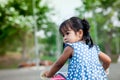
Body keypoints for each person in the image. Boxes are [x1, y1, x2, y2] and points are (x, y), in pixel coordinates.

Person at [42, 17, 111, 80]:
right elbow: (107, 60)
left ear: (80, 33)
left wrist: (49, 74)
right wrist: (102, 70)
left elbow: (59, 64)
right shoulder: (93, 47)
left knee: (57, 77)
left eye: (67, 33)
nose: (65, 37)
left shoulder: (71, 47)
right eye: (63, 35)